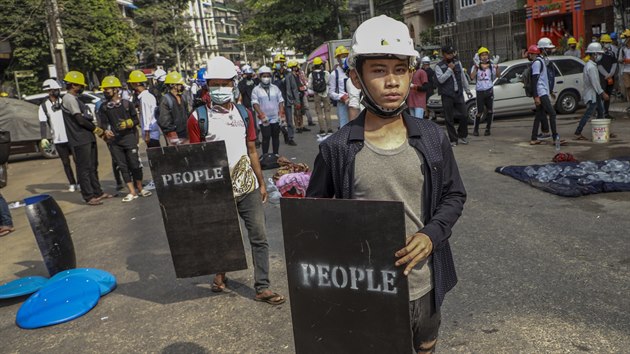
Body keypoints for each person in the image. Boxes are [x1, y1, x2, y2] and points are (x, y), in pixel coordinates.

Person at [306, 15, 466, 354]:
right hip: (368, 292)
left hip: (425, 284)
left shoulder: (434, 138)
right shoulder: (336, 148)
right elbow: (314, 222)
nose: (391, 81)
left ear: (411, 74)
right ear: (356, 77)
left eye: (399, 69)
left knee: (426, 347)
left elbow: (454, 195)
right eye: (378, 70)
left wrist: (430, 235)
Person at [186, 56, 285, 306]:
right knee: (223, 237)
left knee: (259, 237)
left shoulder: (244, 113)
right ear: (207, 86)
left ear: (234, 84)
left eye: (224, 83)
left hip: (247, 187)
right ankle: (220, 275)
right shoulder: (197, 118)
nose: (219, 89)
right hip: (217, 190)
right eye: (214, 84)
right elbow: (195, 159)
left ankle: (262, 286)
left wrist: (261, 183)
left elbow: (252, 150)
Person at [98, 76, 152, 202]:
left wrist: (128, 123)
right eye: (104, 89)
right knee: (122, 166)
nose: (105, 91)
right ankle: (132, 191)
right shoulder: (104, 107)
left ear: (116, 89)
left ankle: (140, 188)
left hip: (129, 139)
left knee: (134, 164)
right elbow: (102, 124)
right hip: (115, 142)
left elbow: (136, 120)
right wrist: (105, 131)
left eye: (107, 89)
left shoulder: (127, 104)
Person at [61, 71, 111, 205]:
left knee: (93, 165)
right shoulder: (69, 99)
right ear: (73, 85)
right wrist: (96, 130)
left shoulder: (76, 98)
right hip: (79, 138)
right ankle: (88, 196)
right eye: (79, 85)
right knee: (84, 168)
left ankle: (97, 192)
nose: (81, 87)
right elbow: (80, 120)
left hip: (87, 136)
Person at [38, 79, 78, 191]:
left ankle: (80, 182)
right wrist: (44, 138)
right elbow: (42, 123)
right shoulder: (43, 106)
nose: (57, 91)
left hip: (71, 136)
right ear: (49, 91)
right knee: (66, 162)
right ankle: (72, 183)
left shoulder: (65, 101)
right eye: (55, 90)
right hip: (58, 139)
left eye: (58, 90)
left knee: (77, 160)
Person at [435, 45, 473, 146]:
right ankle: (453, 139)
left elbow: (462, 77)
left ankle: (462, 135)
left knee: (464, 115)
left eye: (452, 53)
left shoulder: (457, 62)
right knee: (449, 118)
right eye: (448, 53)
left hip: (458, 93)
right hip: (447, 95)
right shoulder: (439, 66)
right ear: (443, 54)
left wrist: (467, 89)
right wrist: (449, 70)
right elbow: (441, 79)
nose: (451, 55)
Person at [529, 38, 561, 146]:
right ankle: (555, 137)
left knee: (538, 116)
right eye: (548, 48)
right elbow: (535, 80)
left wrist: (550, 91)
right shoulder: (537, 62)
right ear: (543, 49)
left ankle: (534, 138)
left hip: (544, 91)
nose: (550, 50)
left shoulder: (542, 60)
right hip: (540, 92)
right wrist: (536, 96)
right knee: (552, 113)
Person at [574, 43, 609, 140]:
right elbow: (595, 83)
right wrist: (603, 93)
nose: (600, 56)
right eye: (599, 53)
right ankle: (578, 131)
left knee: (601, 112)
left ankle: (602, 130)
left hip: (595, 94)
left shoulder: (591, 65)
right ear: (594, 54)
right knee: (589, 113)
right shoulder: (591, 67)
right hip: (592, 94)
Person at [252, 66, 286, 156]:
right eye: (264, 76)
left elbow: (281, 100)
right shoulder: (256, 90)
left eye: (268, 76)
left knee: (275, 137)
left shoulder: (275, 88)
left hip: (275, 117)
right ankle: (265, 156)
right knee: (266, 137)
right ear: (260, 77)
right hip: (264, 118)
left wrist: (281, 113)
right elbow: (255, 103)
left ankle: (276, 155)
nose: (266, 78)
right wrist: (261, 114)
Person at [470, 47, 500, 136]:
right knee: (479, 112)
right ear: (479, 57)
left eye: (486, 55)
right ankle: (476, 129)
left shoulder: (491, 66)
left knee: (490, 110)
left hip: (489, 90)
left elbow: (498, 75)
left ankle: (488, 129)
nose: (484, 57)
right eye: (482, 55)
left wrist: (497, 66)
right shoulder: (475, 66)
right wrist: (476, 67)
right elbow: (471, 77)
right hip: (480, 91)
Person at [128, 70, 161, 148]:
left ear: (136, 83)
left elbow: (147, 116)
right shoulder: (148, 96)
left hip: (150, 134)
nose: (130, 85)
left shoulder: (144, 98)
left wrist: (147, 134)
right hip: (153, 132)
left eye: (131, 83)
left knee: (154, 156)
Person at [272, 54, 299, 146]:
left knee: (289, 121)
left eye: (279, 62)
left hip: (287, 100)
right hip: (276, 102)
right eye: (276, 62)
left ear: (283, 63)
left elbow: (294, 88)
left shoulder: (289, 74)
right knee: (279, 121)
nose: (278, 64)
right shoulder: (273, 75)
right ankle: (285, 133)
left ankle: (291, 137)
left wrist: (297, 101)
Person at [157, 71, 189, 145]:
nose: (182, 86)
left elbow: (187, 114)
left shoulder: (183, 97)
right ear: (173, 85)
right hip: (174, 135)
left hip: (185, 134)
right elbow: (165, 121)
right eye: (180, 84)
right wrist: (174, 137)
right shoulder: (165, 99)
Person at [308, 57, 333, 134]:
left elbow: (309, 86)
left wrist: (315, 88)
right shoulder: (326, 73)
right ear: (321, 65)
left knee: (319, 112)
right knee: (327, 111)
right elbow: (329, 82)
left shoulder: (311, 75)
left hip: (317, 94)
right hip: (325, 93)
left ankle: (322, 129)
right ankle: (329, 129)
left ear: (314, 65)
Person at [329, 45, 350, 129]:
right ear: (337, 58)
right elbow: (331, 93)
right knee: (344, 127)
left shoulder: (352, 71)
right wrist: (341, 97)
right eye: (343, 56)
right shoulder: (334, 74)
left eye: (346, 56)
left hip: (354, 103)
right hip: (342, 105)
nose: (345, 58)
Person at [598, 34, 618, 118]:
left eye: (608, 42)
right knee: (602, 95)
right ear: (602, 43)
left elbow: (614, 64)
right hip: (602, 78)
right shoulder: (599, 54)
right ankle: (600, 113)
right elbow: (599, 66)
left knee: (608, 95)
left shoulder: (612, 54)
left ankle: (606, 113)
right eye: (605, 42)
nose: (607, 44)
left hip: (610, 78)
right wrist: (606, 75)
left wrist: (610, 74)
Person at [287, 60, 309, 133]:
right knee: (296, 112)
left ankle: (302, 125)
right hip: (295, 96)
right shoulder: (290, 76)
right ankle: (297, 126)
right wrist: (291, 97)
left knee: (301, 111)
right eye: (294, 67)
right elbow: (290, 87)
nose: (295, 68)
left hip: (301, 94)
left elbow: (302, 83)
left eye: (296, 66)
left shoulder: (298, 74)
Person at [618, 29, 630, 106]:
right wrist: (622, 60)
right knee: (628, 87)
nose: (623, 40)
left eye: (625, 37)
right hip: (625, 70)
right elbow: (619, 59)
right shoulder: (622, 49)